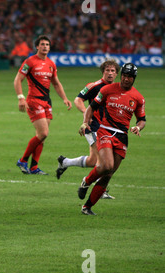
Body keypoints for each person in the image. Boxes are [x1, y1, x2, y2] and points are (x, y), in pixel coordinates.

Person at [77, 63, 146, 215]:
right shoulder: (107, 89)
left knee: (108, 175)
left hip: (122, 136)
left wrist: (138, 127)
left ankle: (87, 207)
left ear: (134, 79)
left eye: (130, 77)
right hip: (105, 132)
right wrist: (84, 122)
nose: (126, 79)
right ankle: (86, 181)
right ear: (121, 75)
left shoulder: (138, 98)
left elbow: (142, 119)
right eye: (124, 76)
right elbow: (91, 107)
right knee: (107, 165)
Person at [56, 59, 120, 199]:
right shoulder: (94, 86)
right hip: (93, 127)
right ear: (103, 72)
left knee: (93, 161)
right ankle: (100, 190)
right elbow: (78, 99)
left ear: (116, 74)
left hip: (107, 128)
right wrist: (86, 113)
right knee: (103, 161)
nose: (110, 73)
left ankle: (65, 162)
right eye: (107, 70)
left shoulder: (115, 88)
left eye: (113, 71)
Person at [14, 35, 72, 175]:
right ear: (37, 47)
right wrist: (21, 98)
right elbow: (18, 80)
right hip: (34, 101)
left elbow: (56, 83)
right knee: (43, 133)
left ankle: (34, 167)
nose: (45, 46)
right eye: (42, 44)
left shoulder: (51, 64)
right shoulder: (30, 61)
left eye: (47, 44)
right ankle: (23, 160)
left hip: (47, 101)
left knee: (41, 136)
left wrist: (64, 98)